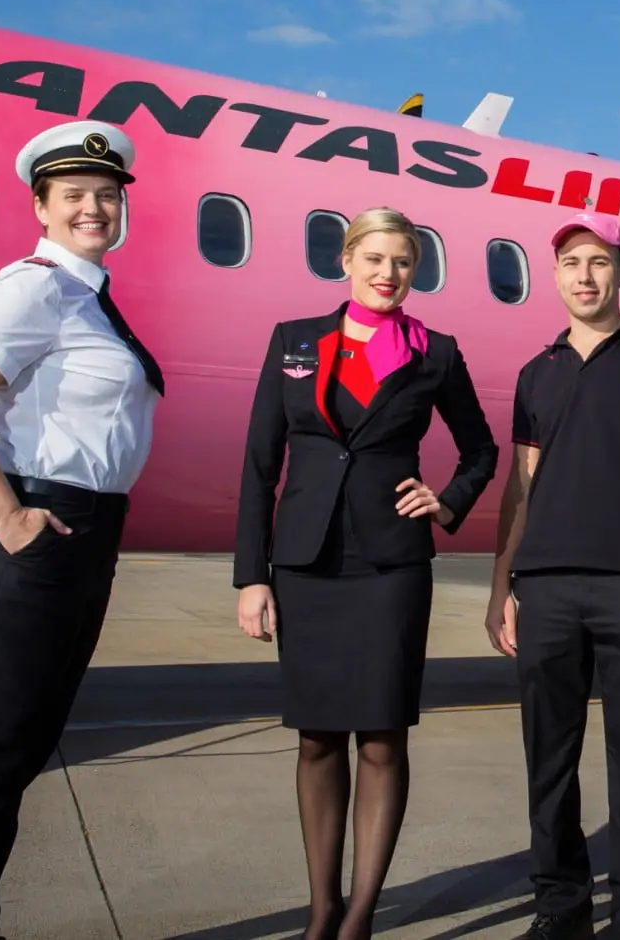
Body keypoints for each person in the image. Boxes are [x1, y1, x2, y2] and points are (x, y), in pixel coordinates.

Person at [0, 120, 164, 940]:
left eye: (106, 195)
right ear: (41, 208)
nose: (94, 208)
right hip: (30, 533)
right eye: (74, 196)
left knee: (9, 755)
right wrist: (10, 519)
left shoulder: (85, 295)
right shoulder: (34, 286)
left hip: (79, 538)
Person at [233, 207, 498, 940]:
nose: (388, 274)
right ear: (346, 261)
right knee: (315, 737)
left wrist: (445, 503)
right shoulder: (295, 342)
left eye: (403, 262)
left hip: (391, 565)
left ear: (416, 271)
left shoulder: (435, 352)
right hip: (306, 563)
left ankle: (358, 917)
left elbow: (481, 449)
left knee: (383, 738)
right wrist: (250, 576)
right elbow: (261, 465)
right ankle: (320, 911)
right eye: (374, 258)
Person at [484, 213, 620, 940]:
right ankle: (561, 909)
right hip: (544, 587)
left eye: (599, 262)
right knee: (549, 763)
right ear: (554, 276)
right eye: (572, 262)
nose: (585, 275)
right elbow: (520, 487)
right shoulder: (535, 373)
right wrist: (500, 588)